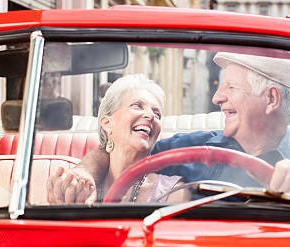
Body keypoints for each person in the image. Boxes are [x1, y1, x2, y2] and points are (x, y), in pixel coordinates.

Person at [47, 50, 290, 204]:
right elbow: (120, 151)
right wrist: (85, 171)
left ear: (271, 98)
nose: (217, 97)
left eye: (231, 87)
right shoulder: (192, 149)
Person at [47, 74, 187, 205]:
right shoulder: (75, 183)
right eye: (137, 105)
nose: (151, 116)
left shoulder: (175, 193)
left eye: (157, 114)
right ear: (107, 123)